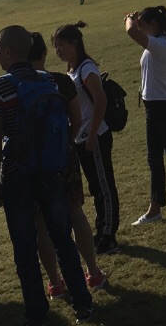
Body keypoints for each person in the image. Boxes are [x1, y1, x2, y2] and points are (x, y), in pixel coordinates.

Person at [0, 25, 93, 324]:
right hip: (51, 171)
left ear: (7, 52)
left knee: (25, 247)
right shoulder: (50, 81)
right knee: (63, 237)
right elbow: (73, 122)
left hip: (18, 175)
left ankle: (36, 312)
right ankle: (83, 303)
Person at [26, 33, 106, 295]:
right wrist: (66, 144)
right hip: (63, 159)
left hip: (31, 164)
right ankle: (93, 273)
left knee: (40, 223)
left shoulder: (11, 86)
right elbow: (75, 120)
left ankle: (56, 283)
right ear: (44, 55)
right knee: (75, 212)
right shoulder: (60, 81)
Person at [53, 23, 120, 256]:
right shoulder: (73, 70)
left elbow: (100, 101)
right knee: (96, 188)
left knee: (104, 187)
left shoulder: (86, 68)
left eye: (61, 45)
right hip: (83, 139)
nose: (58, 50)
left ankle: (108, 237)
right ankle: (102, 230)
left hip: (96, 136)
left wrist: (91, 136)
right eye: (55, 46)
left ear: (75, 44)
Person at [125, 6, 166, 224]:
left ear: (154, 25)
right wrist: (137, 23)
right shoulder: (160, 42)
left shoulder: (160, 45)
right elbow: (138, 34)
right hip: (165, 103)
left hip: (158, 107)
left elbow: (130, 32)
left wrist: (129, 20)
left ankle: (154, 209)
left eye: (144, 25)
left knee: (154, 158)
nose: (141, 29)